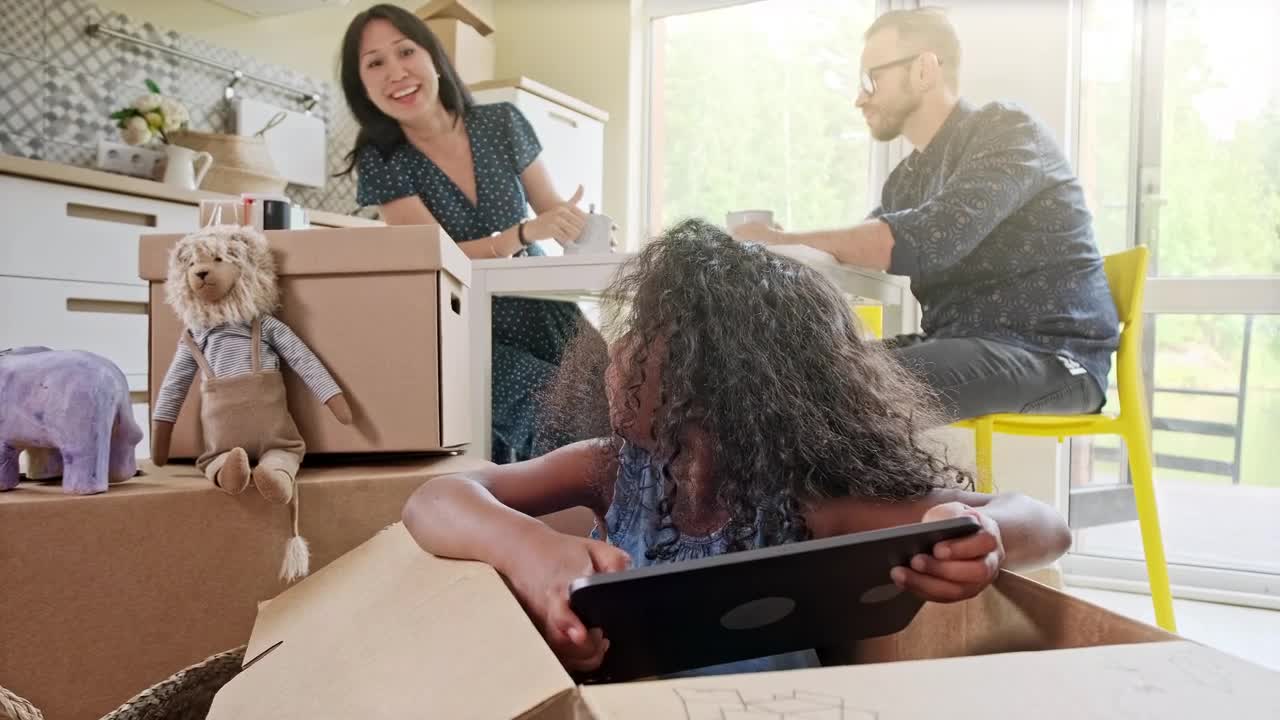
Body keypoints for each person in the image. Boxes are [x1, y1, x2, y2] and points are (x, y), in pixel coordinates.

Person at [401, 219, 1072, 676]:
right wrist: (531, 551)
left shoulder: (806, 506)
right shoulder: (609, 471)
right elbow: (436, 499)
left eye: (640, 333)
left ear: (712, 375)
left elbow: (1047, 523)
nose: (617, 350)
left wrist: (986, 535)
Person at [732, 7, 1120, 422]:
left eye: (871, 80)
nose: (860, 98)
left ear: (924, 70)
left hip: (1053, 357)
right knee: (789, 375)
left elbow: (922, 241)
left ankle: (874, 488)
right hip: (960, 342)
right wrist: (784, 251)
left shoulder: (1007, 130)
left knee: (848, 390)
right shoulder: (907, 180)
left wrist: (774, 241)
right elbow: (870, 243)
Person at [338, 4, 599, 462]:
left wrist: (581, 228)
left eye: (405, 51)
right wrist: (519, 235)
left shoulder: (502, 123)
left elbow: (551, 209)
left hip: (543, 307)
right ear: (361, 85)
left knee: (624, 400)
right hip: (464, 326)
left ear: (434, 57)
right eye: (375, 63)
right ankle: (571, 526)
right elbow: (434, 255)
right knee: (553, 413)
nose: (396, 72)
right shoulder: (382, 159)